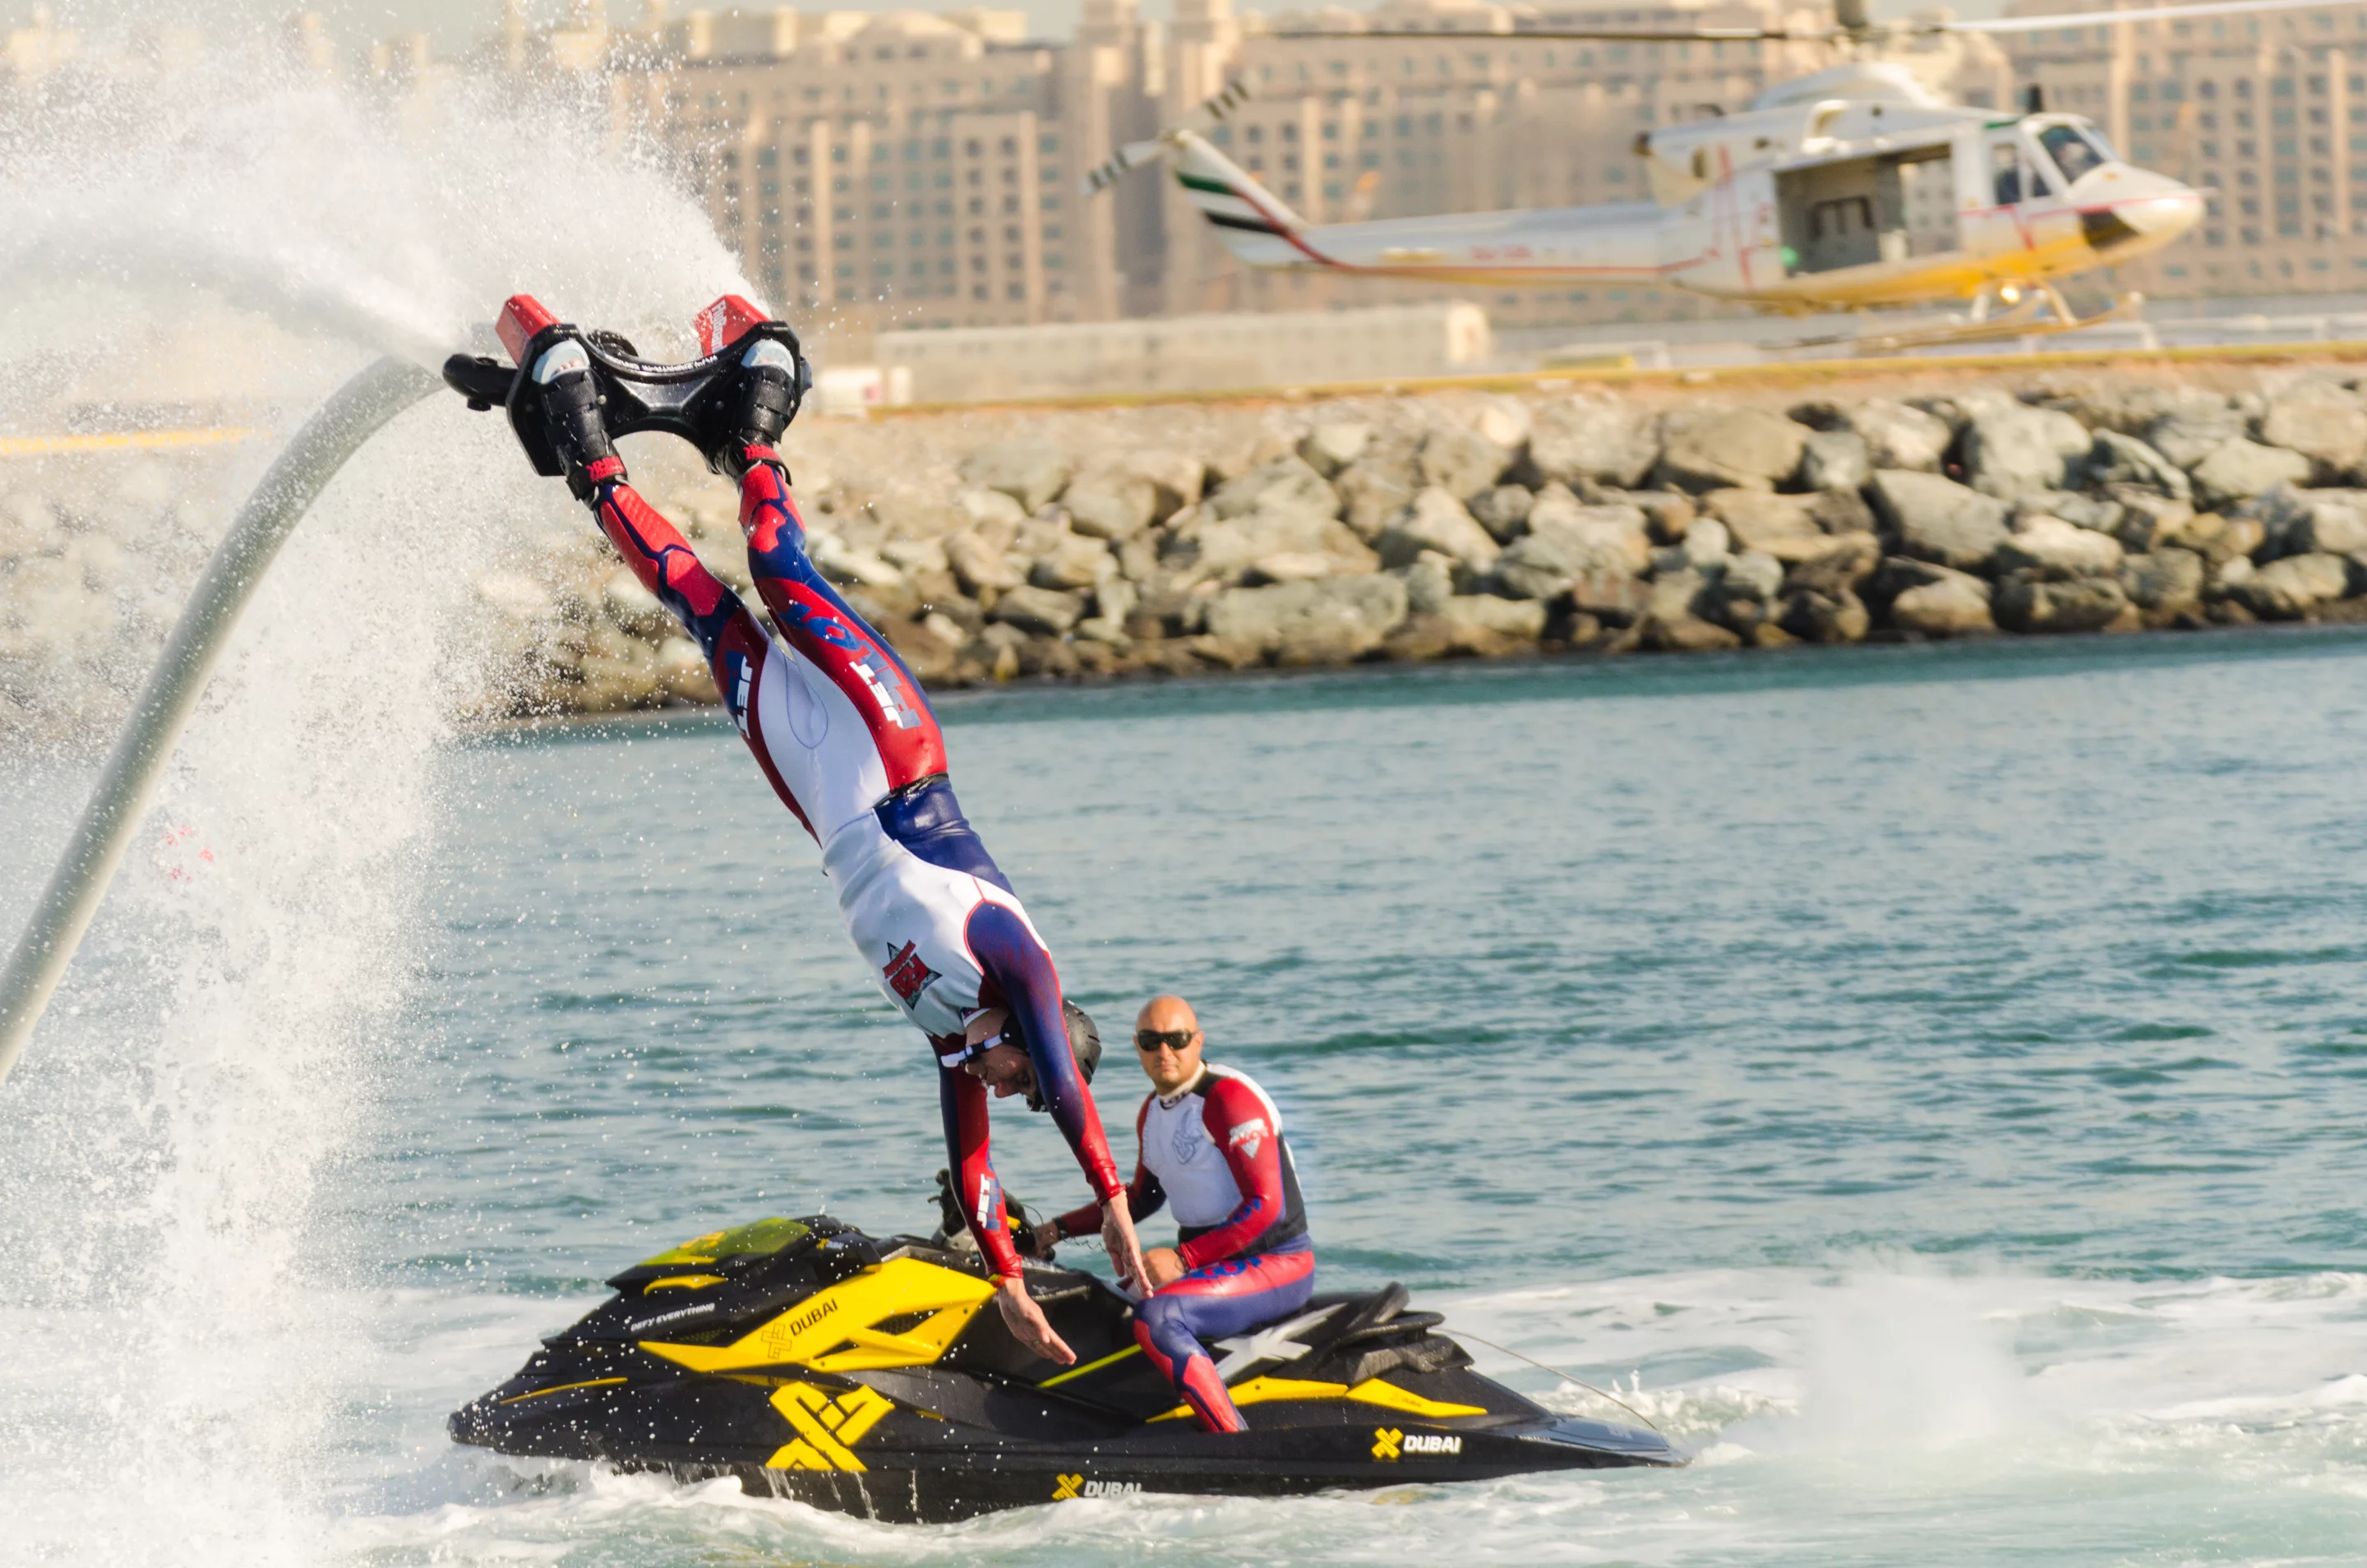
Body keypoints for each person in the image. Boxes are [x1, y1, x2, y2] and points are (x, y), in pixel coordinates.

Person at [491, 294, 1144, 1363]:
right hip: (897, 758)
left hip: (820, 799)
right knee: (782, 576)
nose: (1000, 1086)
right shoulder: (1013, 963)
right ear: (1034, 1038)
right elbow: (1069, 1090)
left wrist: (1013, 1283)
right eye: (1018, 1075)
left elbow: (973, 1166)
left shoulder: (949, 1039)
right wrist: (1113, 1204)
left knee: (706, 611)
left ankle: (587, 445)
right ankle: (752, 426)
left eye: (1007, 1088)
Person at [1036, 995, 1312, 1433]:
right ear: (1137, 1046)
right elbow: (1142, 1198)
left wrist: (1185, 1259)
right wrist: (1053, 1230)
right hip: (1213, 1266)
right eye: (1151, 1041)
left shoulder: (1228, 1099)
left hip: (1278, 1263)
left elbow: (1267, 1206)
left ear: (1197, 1041)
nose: (1165, 1052)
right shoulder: (1153, 1112)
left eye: (1177, 1039)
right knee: (1095, 1304)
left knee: (1160, 1316)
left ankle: (1232, 1441)